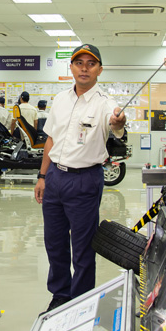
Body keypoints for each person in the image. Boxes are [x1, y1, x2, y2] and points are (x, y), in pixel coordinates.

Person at [34, 44, 126, 313]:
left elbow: (116, 122)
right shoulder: (61, 99)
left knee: (83, 248)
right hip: (54, 178)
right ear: (71, 67)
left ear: (99, 69)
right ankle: (60, 296)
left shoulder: (104, 103)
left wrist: (118, 122)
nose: (84, 68)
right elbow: (51, 139)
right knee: (55, 243)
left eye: (91, 63)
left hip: (85, 180)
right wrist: (42, 176)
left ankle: (81, 303)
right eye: (79, 63)